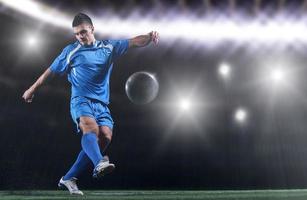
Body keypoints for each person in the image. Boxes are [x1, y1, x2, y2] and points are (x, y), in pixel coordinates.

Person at [22, 13, 159, 195]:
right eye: (77, 34)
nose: (80, 36)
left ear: (92, 29)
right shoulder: (71, 51)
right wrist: (31, 89)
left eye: (84, 32)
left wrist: (149, 37)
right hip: (81, 100)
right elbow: (50, 72)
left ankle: (68, 178)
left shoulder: (109, 47)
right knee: (90, 129)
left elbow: (134, 41)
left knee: (105, 136)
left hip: (102, 104)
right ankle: (99, 162)